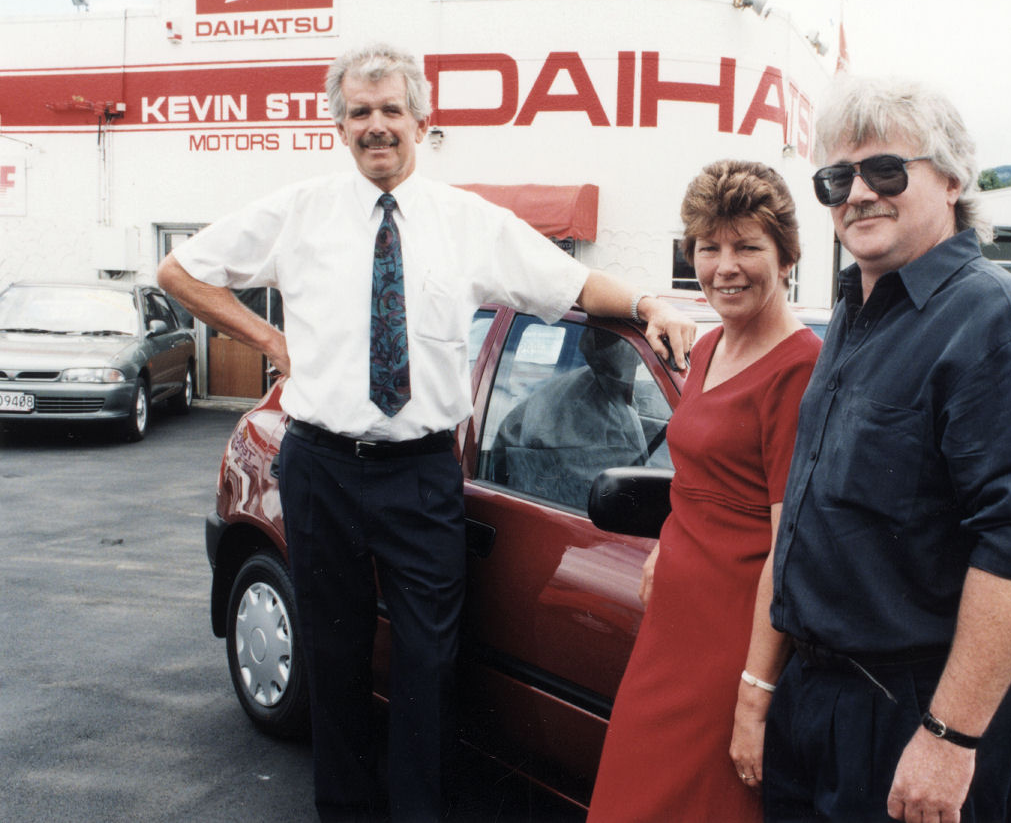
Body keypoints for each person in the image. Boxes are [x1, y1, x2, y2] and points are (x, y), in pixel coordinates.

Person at [156, 42, 695, 822]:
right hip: (320, 469)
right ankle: (343, 808)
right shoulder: (298, 211)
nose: (377, 126)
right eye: (361, 112)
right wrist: (269, 343)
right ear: (339, 125)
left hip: (421, 478)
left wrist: (649, 305)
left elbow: (571, 283)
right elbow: (181, 271)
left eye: (392, 111)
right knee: (335, 655)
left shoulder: (467, 222)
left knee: (428, 665)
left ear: (423, 121)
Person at [764, 76, 1011, 823]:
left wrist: (950, 735)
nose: (858, 194)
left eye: (886, 170)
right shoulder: (856, 310)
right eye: (835, 178)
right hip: (816, 700)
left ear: (951, 178)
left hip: (912, 710)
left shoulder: (1000, 327)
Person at [587, 160, 821, 823]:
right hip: (670, 627)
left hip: (731, 644)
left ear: (786, 256)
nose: (725, 266)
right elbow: (697, 479)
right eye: (709, 247)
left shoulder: (800, 368)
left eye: (748, 246)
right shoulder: (710, 346)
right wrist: (666, 542)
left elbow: (789, 545)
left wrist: (755, 693)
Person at [491, 326, 650, 505]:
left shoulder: (611, 397)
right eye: (634, 361)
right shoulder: (572, 404)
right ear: (607, 364)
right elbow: (583, 475)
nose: (637, 367)